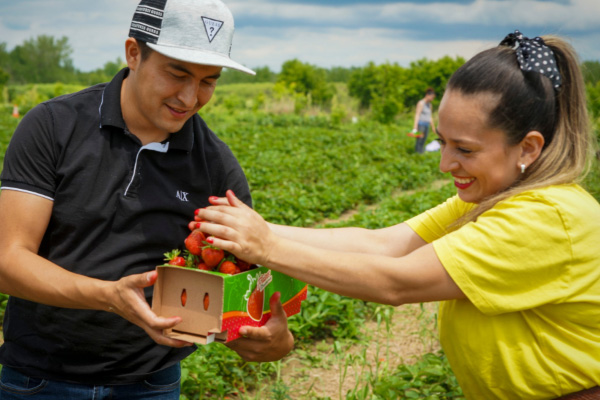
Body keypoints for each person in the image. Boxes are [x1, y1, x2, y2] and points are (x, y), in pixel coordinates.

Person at [196, 30, 600, 399]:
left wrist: (268, 247)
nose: (445, 164)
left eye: (465, 149)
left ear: (528, 148)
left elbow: (396, 283)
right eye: (442, 142)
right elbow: (384, 244)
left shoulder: (545, 218)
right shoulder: (497, 199)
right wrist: (255, 229)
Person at [0, 0, 293, 398]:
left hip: (150, 384)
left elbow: (236, 280)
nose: (190, 98)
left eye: (209, 81)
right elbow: (7, 261)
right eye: (177, 73)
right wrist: (108, 297)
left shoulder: (216, 166)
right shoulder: (54, 127)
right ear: (134, 53)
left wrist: (271, 339)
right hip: (38, 379)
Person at [410, 87, 436, 154]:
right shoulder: (421, 103)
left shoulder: (430, 105)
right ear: (427, 95)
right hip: (421, 125)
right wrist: (415, 127)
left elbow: (430, 116)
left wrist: (433, 127)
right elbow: (417, 115)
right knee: (420, 140)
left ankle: (421, 153)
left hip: (427, 125)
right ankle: (417, 154)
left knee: (424, 140)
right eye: (432, 97)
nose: (432, 99)